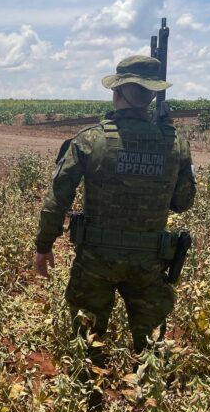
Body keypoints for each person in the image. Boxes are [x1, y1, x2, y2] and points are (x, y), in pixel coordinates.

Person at [34, 55, 196, 372]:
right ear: (151, 95)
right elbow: (183, 202)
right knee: (151, 350)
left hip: (96, 260)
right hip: (149, 262)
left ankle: (85, 402)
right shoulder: (175, 142)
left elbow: (58, 200)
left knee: (86, 346)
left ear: (117, 92)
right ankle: (149, 401)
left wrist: (43, 246)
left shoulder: (90, 140)